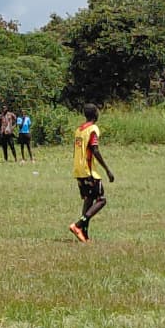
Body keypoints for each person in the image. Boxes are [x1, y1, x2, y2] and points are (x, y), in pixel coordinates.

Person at [69, 103, 115, 242]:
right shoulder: (93, 129)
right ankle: (78, 225)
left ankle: (84, 235)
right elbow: (95, 150)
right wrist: (107, 170)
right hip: (89, 171)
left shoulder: (79, 130)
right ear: (95, 114)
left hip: (78, 170)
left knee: (89, 200)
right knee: (101, 200)